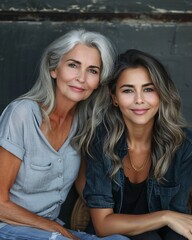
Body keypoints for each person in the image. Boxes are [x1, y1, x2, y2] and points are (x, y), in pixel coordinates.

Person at [0, 29, 129, 240]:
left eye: (93, 70)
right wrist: (56, 229)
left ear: (98, 81)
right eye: (73, 65)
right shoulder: (22, 114)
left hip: (52, 232)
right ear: (53, 69)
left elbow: (85, 186)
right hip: (8, 227)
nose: (81, 78)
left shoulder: (84, 123)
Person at [78, 49, 192, 240]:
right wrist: (165, 216)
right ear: (114, 97)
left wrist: (170, 218)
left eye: (148, 89)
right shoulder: (101, 142)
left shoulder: (182, 144)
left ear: (161, 94)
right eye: (128, 90)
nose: (139, 100)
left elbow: (178, 219)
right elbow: (102, 225)